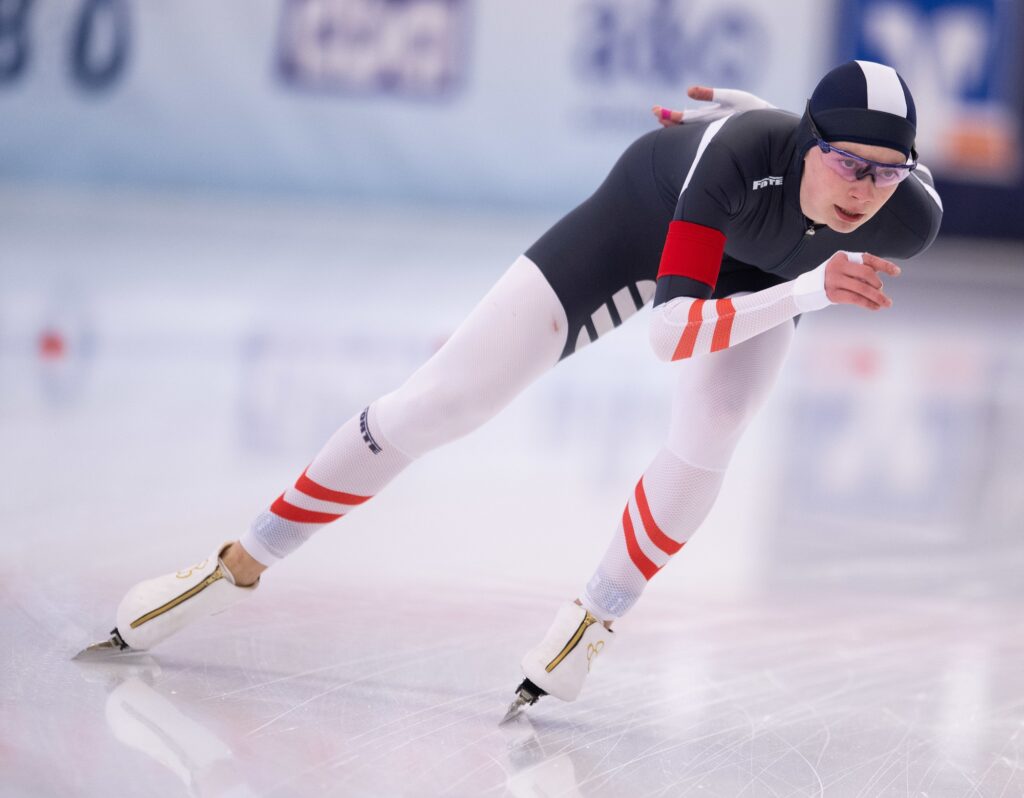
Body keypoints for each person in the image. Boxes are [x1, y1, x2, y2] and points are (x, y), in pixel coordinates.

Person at [78, 61, 943, 720]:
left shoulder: (911, 213)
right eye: (844, 164)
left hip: (758, 259)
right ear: (803, 146)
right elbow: (668, 336)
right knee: (443, 401)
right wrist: (806, 290)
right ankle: (241, 561)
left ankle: (594, 617)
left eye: (887, 171)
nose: (864, 193)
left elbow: (850, 180)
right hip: (644, 225)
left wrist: (797, 209)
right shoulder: (738, 164)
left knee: (715, 429)